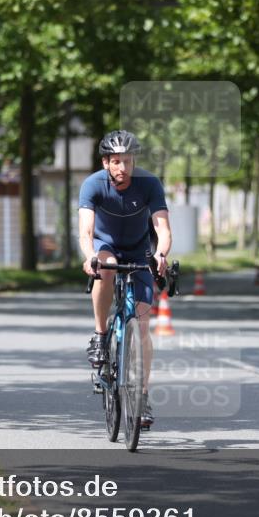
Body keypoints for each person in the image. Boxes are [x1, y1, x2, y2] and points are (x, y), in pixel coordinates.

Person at [79, 130, 172, 428]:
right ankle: (101, 334)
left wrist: (161, 254)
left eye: (127, 161)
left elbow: (163, 229)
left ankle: (142, 397)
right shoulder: (92, 185)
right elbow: (85, 232)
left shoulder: (149, 184)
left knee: (143, 327)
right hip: (106, 247)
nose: (122, 168)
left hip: (139, 251)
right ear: (106, 162)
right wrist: (89, 255)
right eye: (116, 161)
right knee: (105, 266)